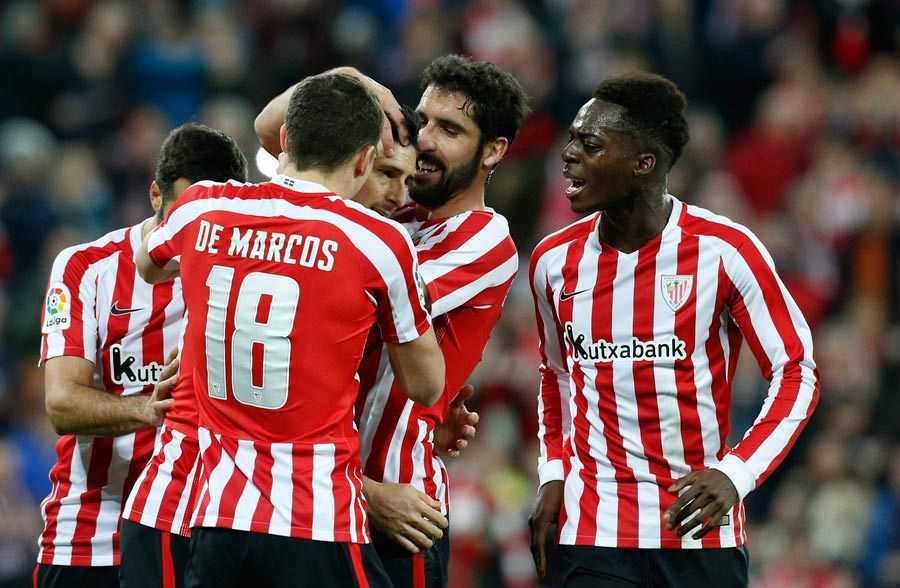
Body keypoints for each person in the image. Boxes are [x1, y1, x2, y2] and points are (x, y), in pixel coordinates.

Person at [136, 72, 445, 588]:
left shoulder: (205, 206)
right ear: (365, 160)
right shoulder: (379, 242)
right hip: (317, 519)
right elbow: (426, 384)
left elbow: (149, 265)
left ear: (285, 143)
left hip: (217, 519)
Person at [527, 72, 819, 588]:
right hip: (595, 533)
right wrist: (554, 472)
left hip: (700, 534)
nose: (568, 154)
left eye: (589, 143)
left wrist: (738, 473)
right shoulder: (553, 261)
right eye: (572, 138)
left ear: (644, 164)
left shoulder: (726, 251)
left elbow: (796, 371)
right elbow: (556, 375)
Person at [35, 123, 248, 588]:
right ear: (155, 195)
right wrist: (147, 409)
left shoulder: (246, 284)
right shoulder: (85, 267)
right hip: (92, 535)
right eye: (183, 216)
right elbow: (61, 403)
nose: (191, 236)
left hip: (196, 534)